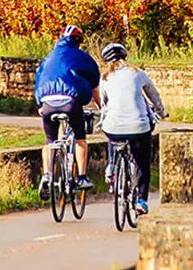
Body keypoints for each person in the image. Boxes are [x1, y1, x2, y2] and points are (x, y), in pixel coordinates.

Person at [34, 24, 101, 201]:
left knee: (49, 140)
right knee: (80, 138)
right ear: (78, 41)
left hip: (47, 102)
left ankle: (47, 175)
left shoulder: (48, 58)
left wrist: (40, 103)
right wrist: (103, 109)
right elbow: (95, 87)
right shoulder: (82, 57)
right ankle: (81, 177)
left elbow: (38, 79)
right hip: (70, 102)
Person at [98, 43, 166, 216]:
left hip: (112, 127)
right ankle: (141, 201)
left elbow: (104, 104)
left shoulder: (104, 79)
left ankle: (112, 166)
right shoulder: (138, 74)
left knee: (112, 136)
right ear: (124, 57)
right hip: (138, 127)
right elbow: (154, 95)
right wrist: (161, 111)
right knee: (143, 163)